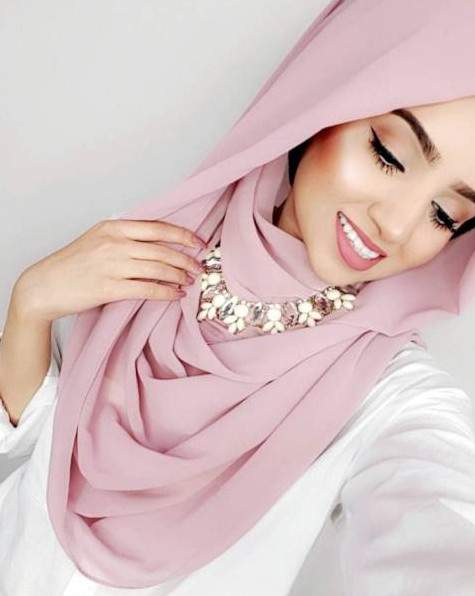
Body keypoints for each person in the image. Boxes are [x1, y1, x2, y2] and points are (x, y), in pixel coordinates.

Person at [2, 1, 475, 594]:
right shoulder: (160, 239)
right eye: (389, 155)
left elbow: (439, 516)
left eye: (445, 214)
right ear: (326, 96)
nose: (397, 225)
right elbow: (33, 433)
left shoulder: (383, 389)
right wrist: (30, 305)